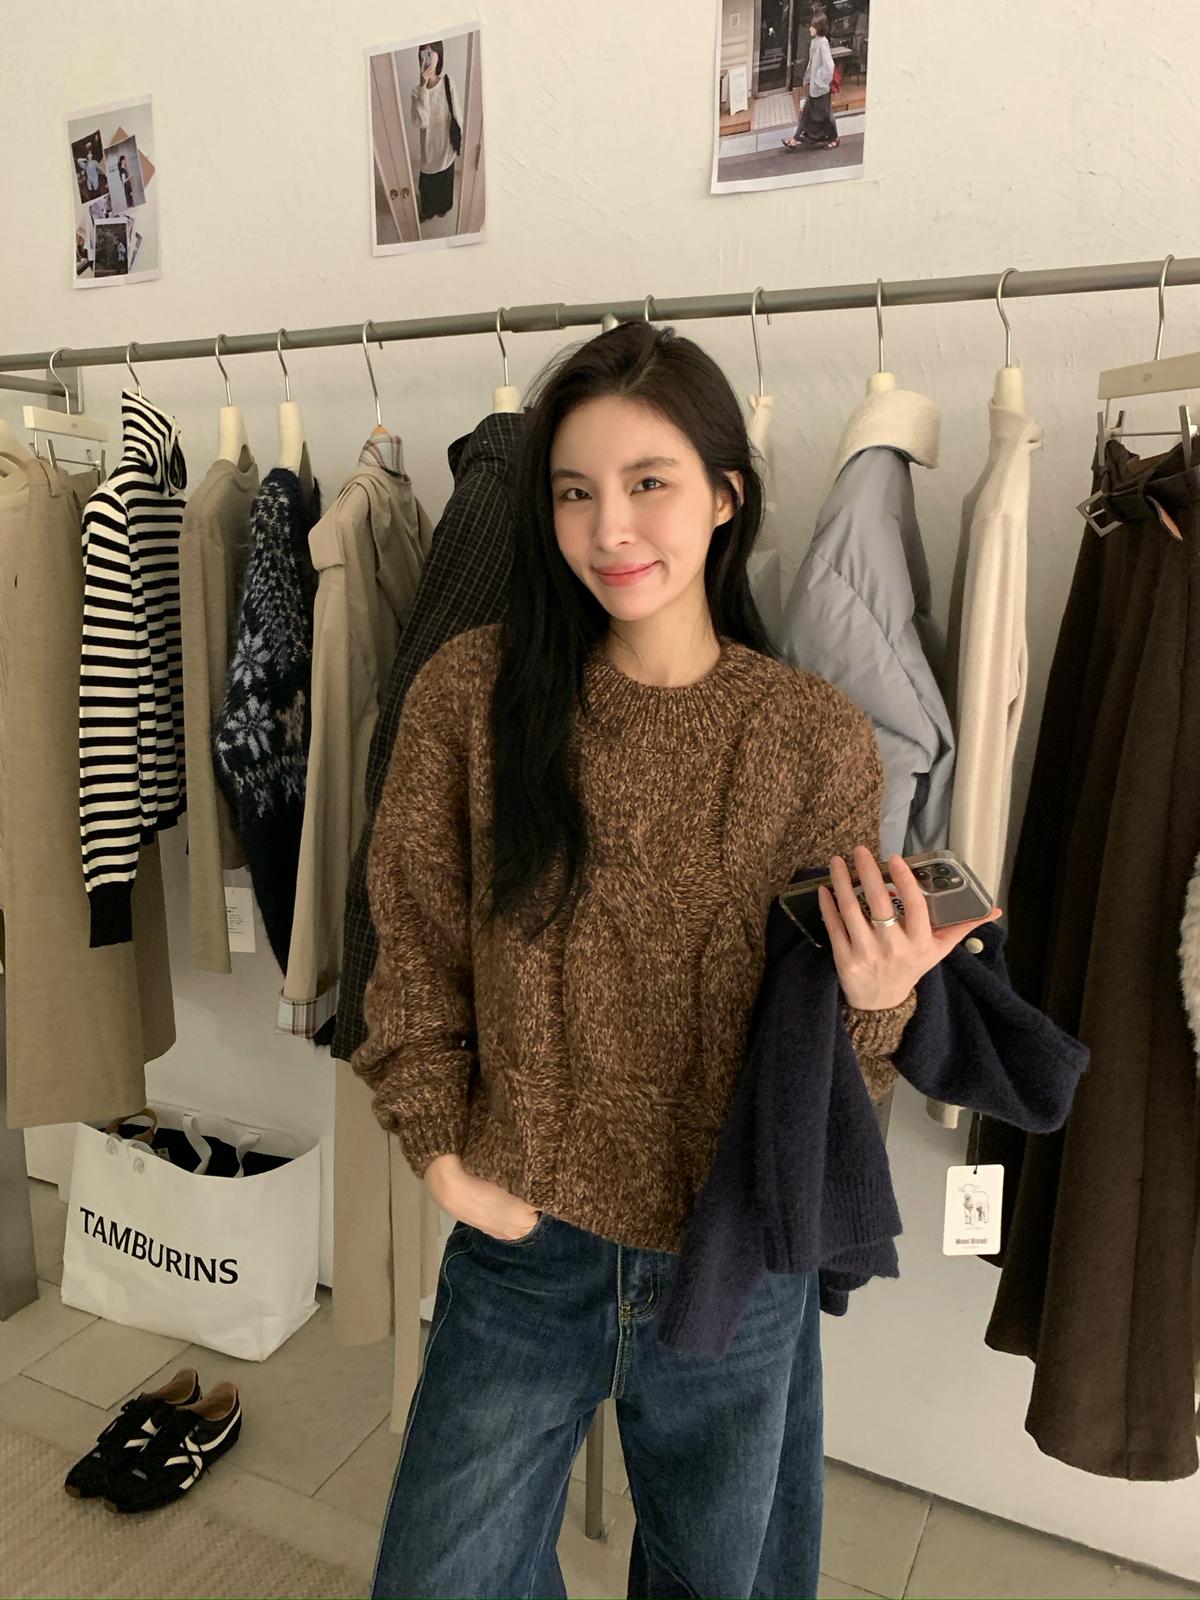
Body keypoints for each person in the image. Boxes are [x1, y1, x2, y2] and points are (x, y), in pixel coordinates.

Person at [353, 321, 999, 1599]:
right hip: (523, 1236)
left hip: (733, 1253)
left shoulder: (810, 734)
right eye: (574, 492)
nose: (610, 529)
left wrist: (878, 1002)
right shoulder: (471, 697)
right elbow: (410, 940)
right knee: (441, 1578)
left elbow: (824, 1052)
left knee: (718, 1579)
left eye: (648, 482)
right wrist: (439, 1152)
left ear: (724, 497)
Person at [410, 39, 459, 223]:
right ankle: (428, 211)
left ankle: (443, 208)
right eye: (424, 53)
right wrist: (423, 87)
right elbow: (420, 122)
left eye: (431, 53)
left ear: (440, 56)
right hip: (429, 151)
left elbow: (458, 114)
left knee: (445, 182)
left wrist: (458, 143)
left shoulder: (448, 82)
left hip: (446, 147)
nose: (427, 58)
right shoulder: (416, 91)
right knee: (428, 186)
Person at [783, 15, 840, 151]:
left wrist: (820, 81)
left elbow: (829, 66)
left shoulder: (823, 42)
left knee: (825, 115)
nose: (810, 28)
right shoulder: (815, 42)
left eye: (812, 26)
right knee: (807, 114)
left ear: (818, 28)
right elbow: (812, 63)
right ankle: (796, 139)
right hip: (815, 87)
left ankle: (834, 138)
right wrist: (809, 78)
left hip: (821, 88)